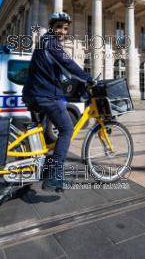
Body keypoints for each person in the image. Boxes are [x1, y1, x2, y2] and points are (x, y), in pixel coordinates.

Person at [22, 11, 94, 192]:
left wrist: (75, 83)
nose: (63, 31)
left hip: (36, 93)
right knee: (67, 128)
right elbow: (67, 63)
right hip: (44, 95)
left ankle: (44, 168)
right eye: (59, 27)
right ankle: (55, 176)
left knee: (43, 136)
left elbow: (60, 73)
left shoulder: (44, 42)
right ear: (52, 27)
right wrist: (88, 78)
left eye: (66, 28)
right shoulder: (51, 43)